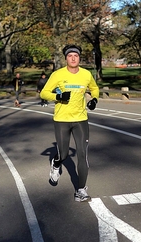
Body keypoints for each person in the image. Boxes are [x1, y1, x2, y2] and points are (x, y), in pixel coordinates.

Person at [40, 44, 99, 202]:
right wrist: (58, 97)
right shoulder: (58, 74)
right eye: (70, 56)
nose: (73, 58)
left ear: (79, 58)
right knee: (64, 154)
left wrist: (94, 99)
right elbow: (44, 93)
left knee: (82, 154)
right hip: (62, 121)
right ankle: (56, 163)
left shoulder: (86, 74)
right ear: (66, 58)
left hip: (80, 120)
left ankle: (81, 190)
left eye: (76, 56)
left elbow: (94, 88)